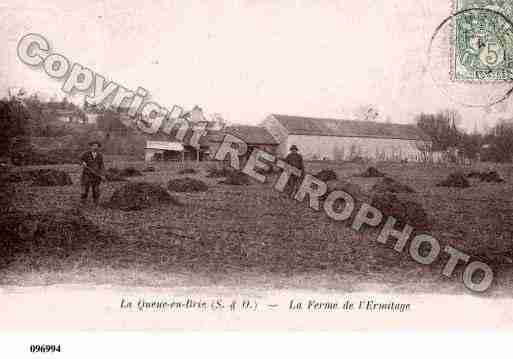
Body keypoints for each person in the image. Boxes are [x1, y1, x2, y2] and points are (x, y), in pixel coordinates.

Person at [80, 141, 105, 205]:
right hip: (87, 174)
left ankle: (96, 202)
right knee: (85, 188)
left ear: (98, 147)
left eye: (97, 146)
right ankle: (83, 202)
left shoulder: (100, 155)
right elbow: (80, 159)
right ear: (91, 146)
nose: (95, 147)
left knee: (96, 189)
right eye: (93, 146)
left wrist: (102, 174)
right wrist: (83, 162)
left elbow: (101, 165)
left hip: (96, 175)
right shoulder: (86, 154)